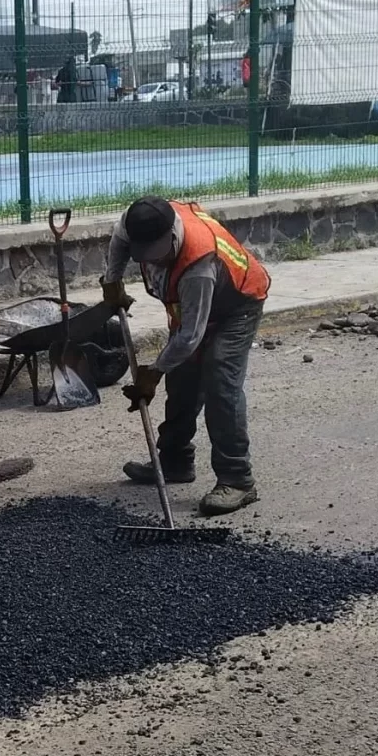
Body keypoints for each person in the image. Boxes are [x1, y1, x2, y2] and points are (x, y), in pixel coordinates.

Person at [100, 196, 271, 516]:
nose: (153, 263)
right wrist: (112, 281)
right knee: (182, 379)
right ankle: (174, 462)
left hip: (237, 304)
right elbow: (120, 240)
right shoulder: (136, 219)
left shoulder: (198, 266)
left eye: (157, 256)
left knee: (220, 376)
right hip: (195, 307)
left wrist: (152, 373)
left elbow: (191, 336)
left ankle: (238, 479)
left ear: (171, 238)